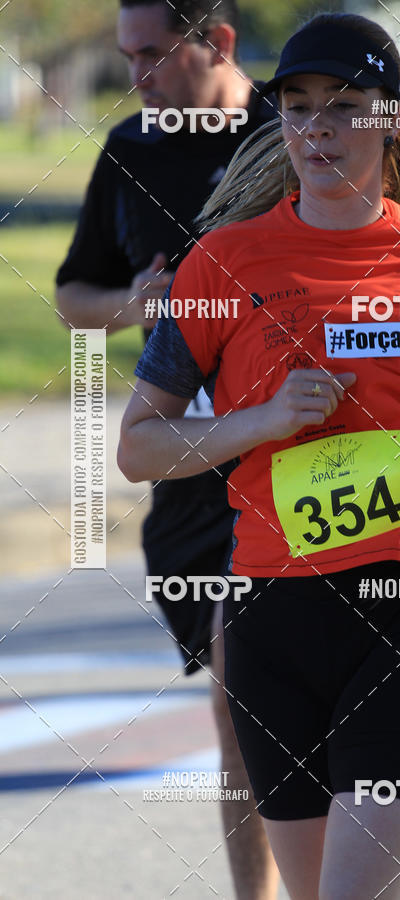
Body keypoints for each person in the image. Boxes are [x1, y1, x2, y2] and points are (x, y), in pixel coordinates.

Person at [117, 11, 400, 899]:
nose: (318, 127)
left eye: (347, 106)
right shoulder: (222, 264)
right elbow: (137, 447)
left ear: (391, 119)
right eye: (300, 105)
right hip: (274, 615)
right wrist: (263, 421)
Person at [55, 2, 282, 897]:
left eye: (152, 54)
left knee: (277, 702)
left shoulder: (296, 125)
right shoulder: (132, 151)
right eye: (126, 57)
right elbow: (76, 292)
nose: (137, 77)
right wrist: (132, 307)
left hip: (304, 464)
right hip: (189, 476)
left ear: (217, 42)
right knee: (240, 714)